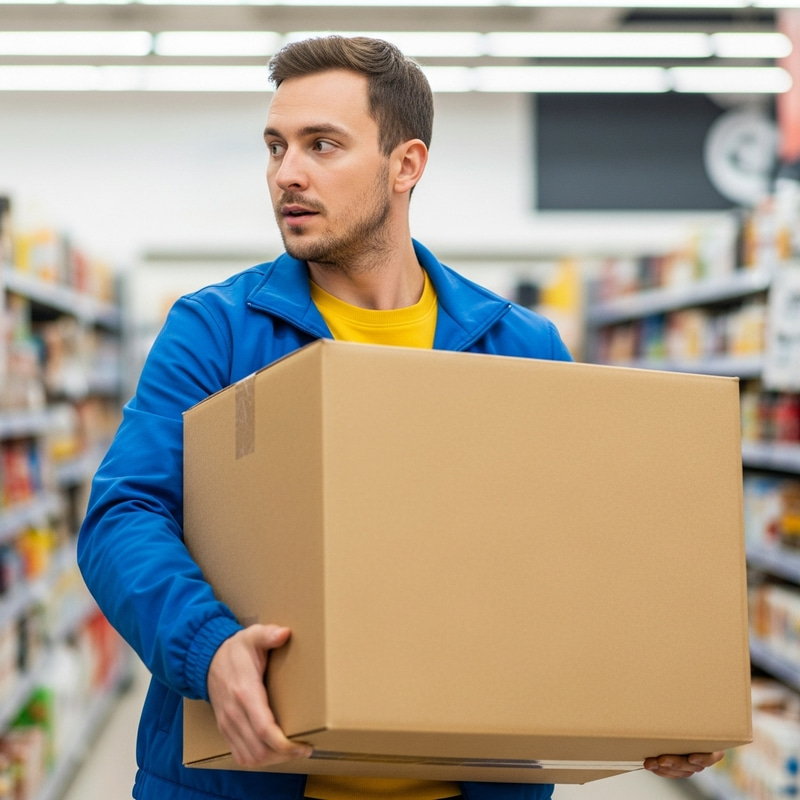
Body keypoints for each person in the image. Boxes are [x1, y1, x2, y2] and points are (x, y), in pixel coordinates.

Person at [77, 34, 724, 800]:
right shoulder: (216, 329)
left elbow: (579, 554)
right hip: (251, 783)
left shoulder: (517, 346)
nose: (288, 173)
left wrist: (662, 696)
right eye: (276, 146)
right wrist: (207, 648)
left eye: (323, 145)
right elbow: (124, 514)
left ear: (406, 165)